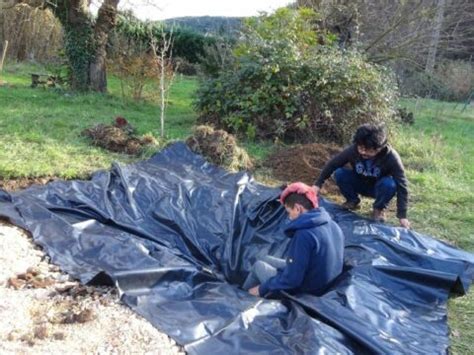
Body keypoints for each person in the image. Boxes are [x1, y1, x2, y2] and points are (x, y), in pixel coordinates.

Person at [245, 182, 344, 297]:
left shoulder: (305, 234)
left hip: (307, 290)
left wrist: (262, 288)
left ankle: (240, 297)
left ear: (298, 208)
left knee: (259, 266)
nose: (289, 217)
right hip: (321, 280)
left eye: (289, 212)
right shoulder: (334, 226)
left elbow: (292, 280)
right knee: (264, 258)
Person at [313, 123, 411, 229]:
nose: (363, 152)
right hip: (360, 182)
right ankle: (352, 200)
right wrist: (318, 184)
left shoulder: (391, 158)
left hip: (379, 188)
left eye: (368, 150)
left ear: (379, 148)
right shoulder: (353, 151)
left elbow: (402, 185)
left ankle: (378, 209)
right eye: (360, 148)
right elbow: (333, 164)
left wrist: (402, 216)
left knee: (390, 184)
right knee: (340, 173)